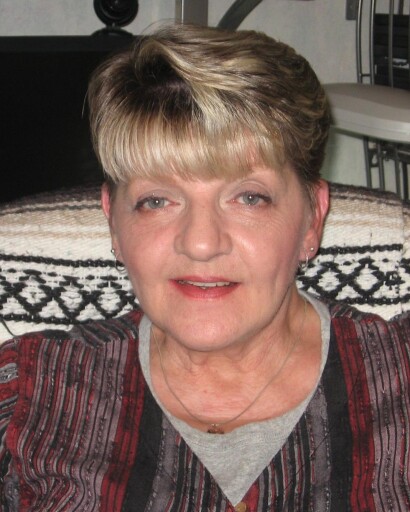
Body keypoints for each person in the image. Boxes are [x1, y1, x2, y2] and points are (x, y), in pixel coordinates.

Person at [0, 23, 408, 512]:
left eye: (249, 197)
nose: (200, 243)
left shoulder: (400, 379)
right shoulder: (29, 389)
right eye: (157, 201)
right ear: (114, 221)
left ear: (312, 218)